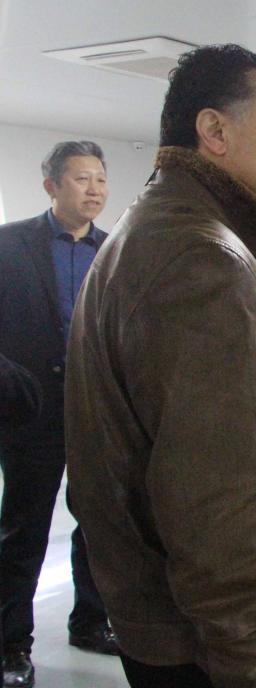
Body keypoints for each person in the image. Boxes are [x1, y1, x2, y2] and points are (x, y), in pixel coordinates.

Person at [64, 44, 256, 688]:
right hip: (212, 648)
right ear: (214, 130)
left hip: (173, 627)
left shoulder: (161, 228)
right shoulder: (203, 258)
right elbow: (213, 502)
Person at [0, 140, 115, 687]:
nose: (94, 190)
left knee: (98, 525)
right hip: (33, 411)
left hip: (96, 410)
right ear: (51, 185)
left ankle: (91, 622)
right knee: (24, 531)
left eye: (100, 179)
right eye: (81, 179)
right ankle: (11, 645)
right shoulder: (10, 245)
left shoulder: (115, 250)